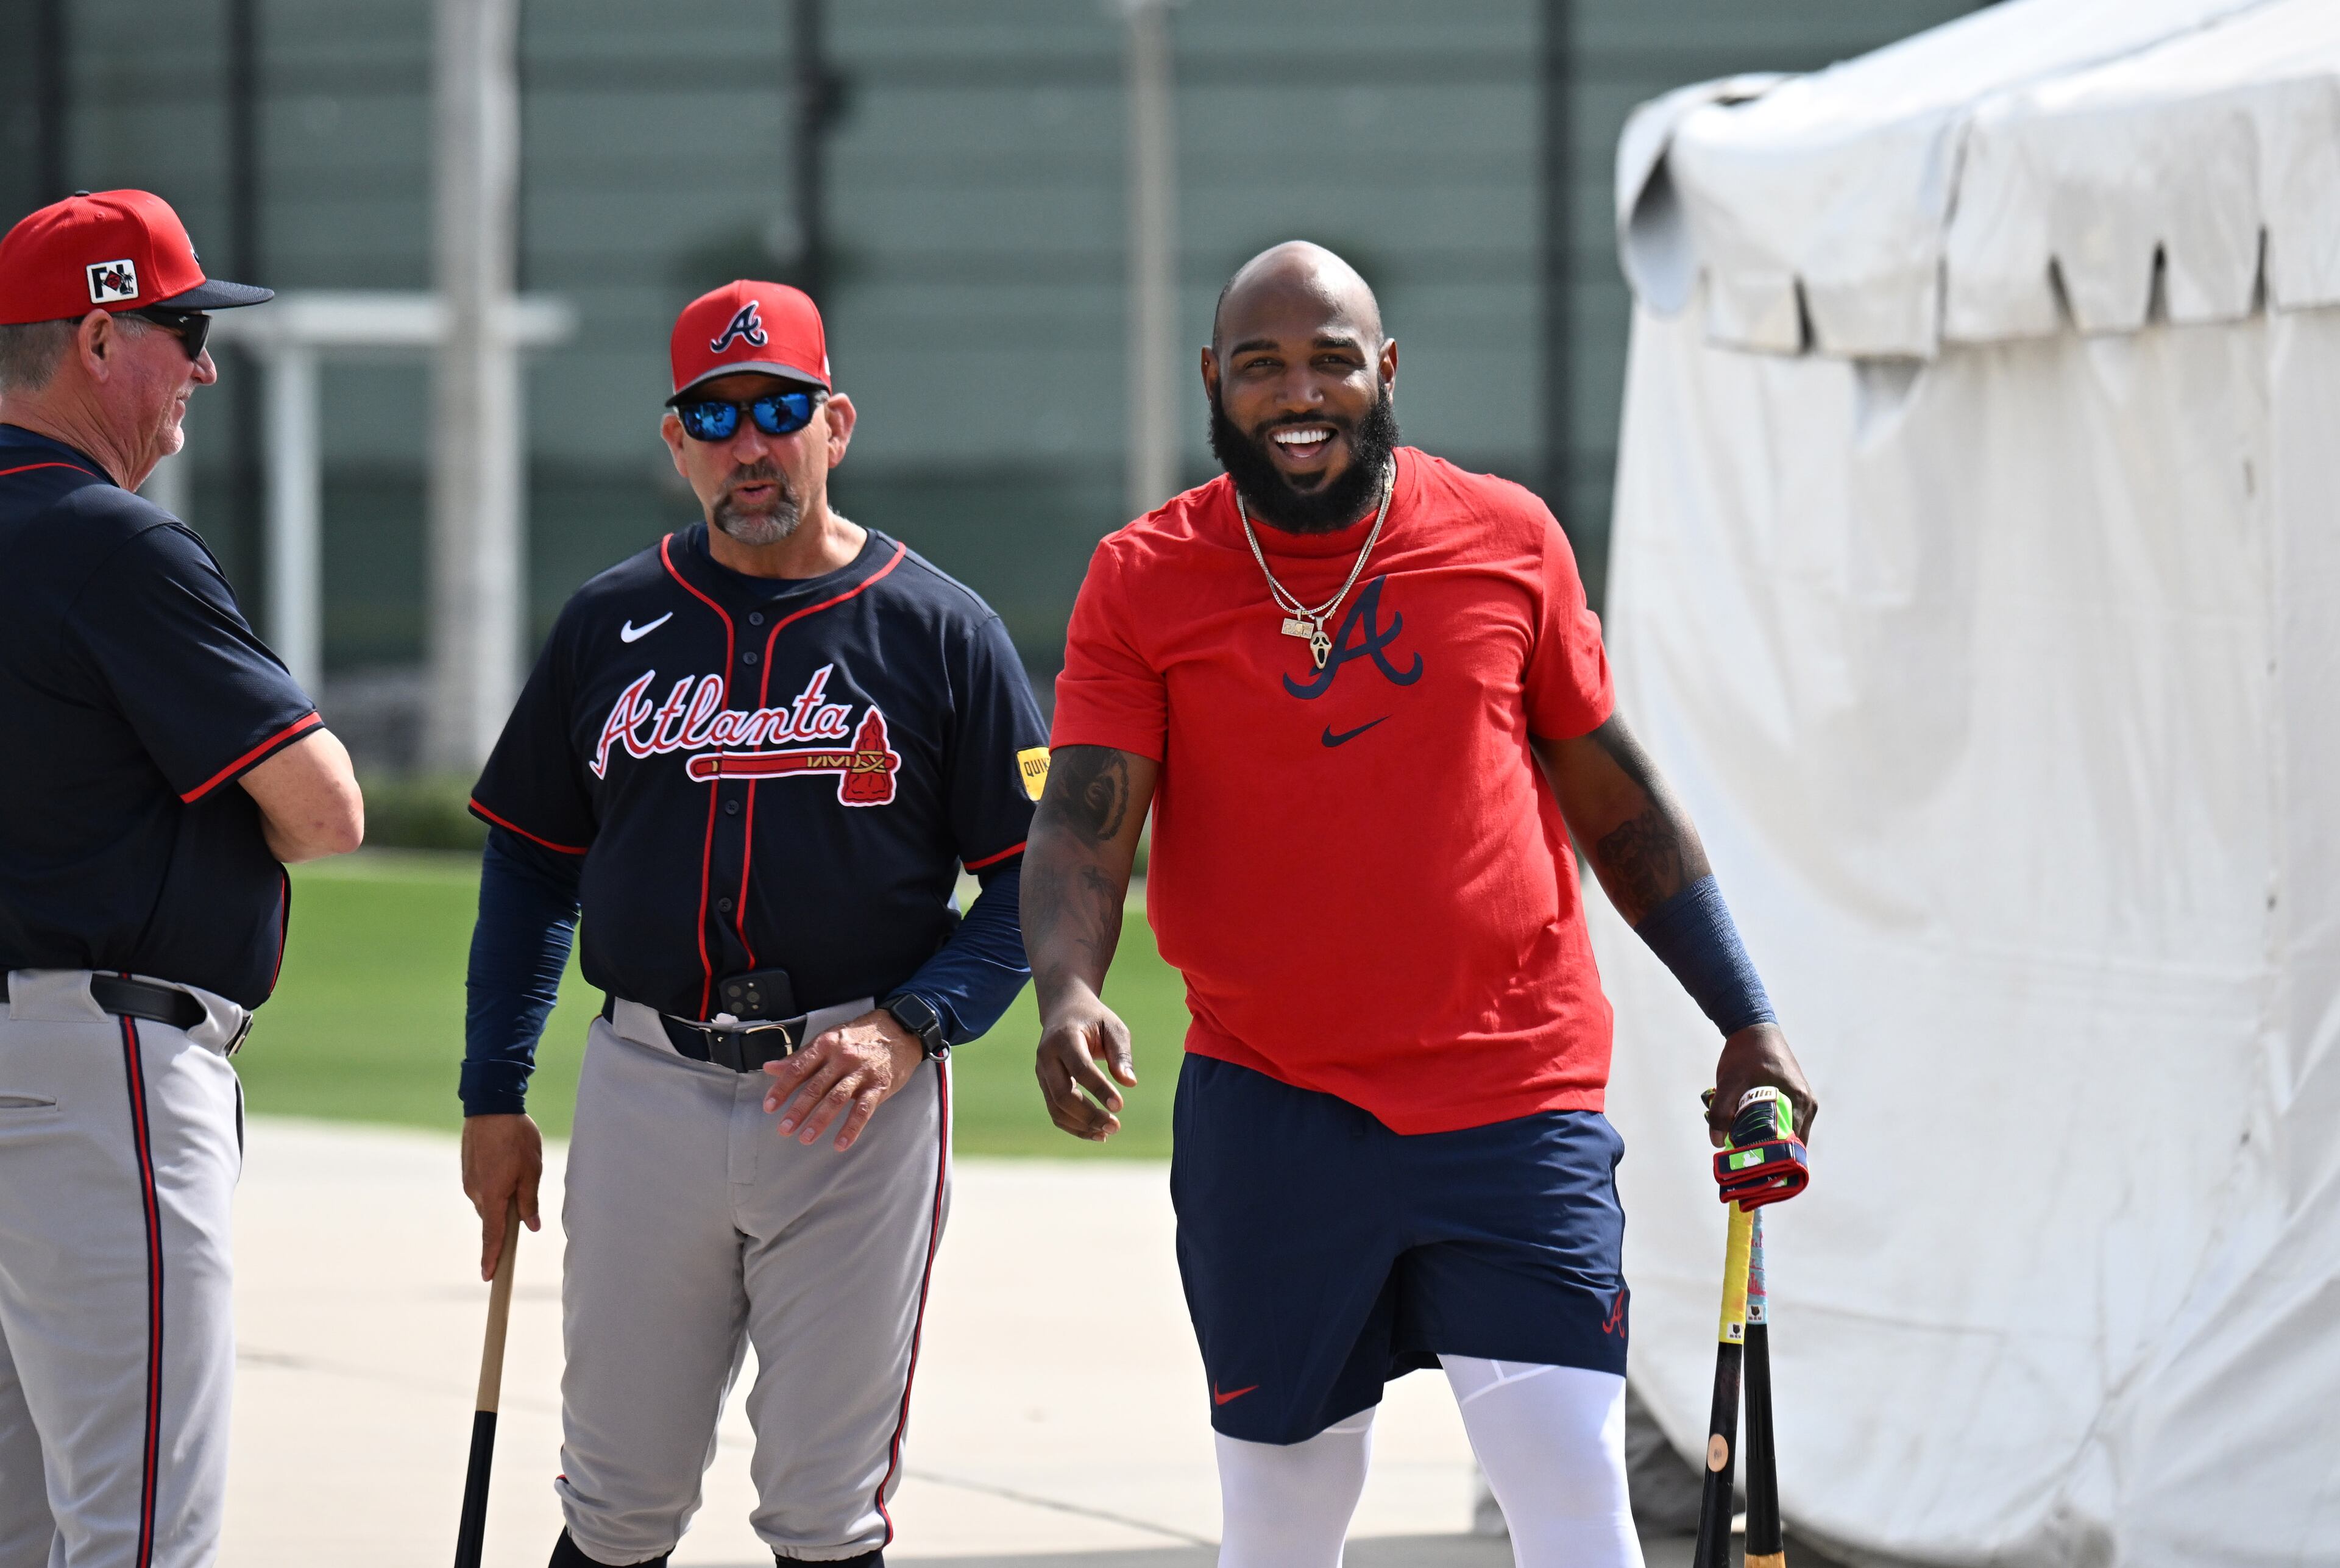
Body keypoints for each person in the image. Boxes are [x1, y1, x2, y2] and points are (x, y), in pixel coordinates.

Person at [1021, 241, 1820, 1568]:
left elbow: (1620, 805)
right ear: (1214, 379)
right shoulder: (1144, 576)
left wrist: (1747, 1014)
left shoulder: (1508, 540)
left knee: (1568, 1487)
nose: (1301, 392)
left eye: (1333, 359)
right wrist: (1069, 993)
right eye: (1264, 364)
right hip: (1274, 1110)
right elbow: (1085, 826)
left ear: (1384, 370)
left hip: (1511, 1105)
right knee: (1281, 1521)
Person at [459, 280, 1046, 1568]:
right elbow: (527, 868)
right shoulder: (607, 623)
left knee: (824, 1514)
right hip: (645, 1082)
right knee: (615, 1505)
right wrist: (493, 1092)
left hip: (851, 1095)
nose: (749, 445)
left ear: (835, 422)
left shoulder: (939, 630)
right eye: (714, 419)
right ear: (675, 444)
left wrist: (912, 1031)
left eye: (777, 409)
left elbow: (1034, 888)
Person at [0, 189, 364, 1567]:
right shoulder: (109, 538)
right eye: (185, 327)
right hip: (94, 1075)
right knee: (139, 1531)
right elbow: (327, 810)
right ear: (100, 338)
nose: (205, 365)